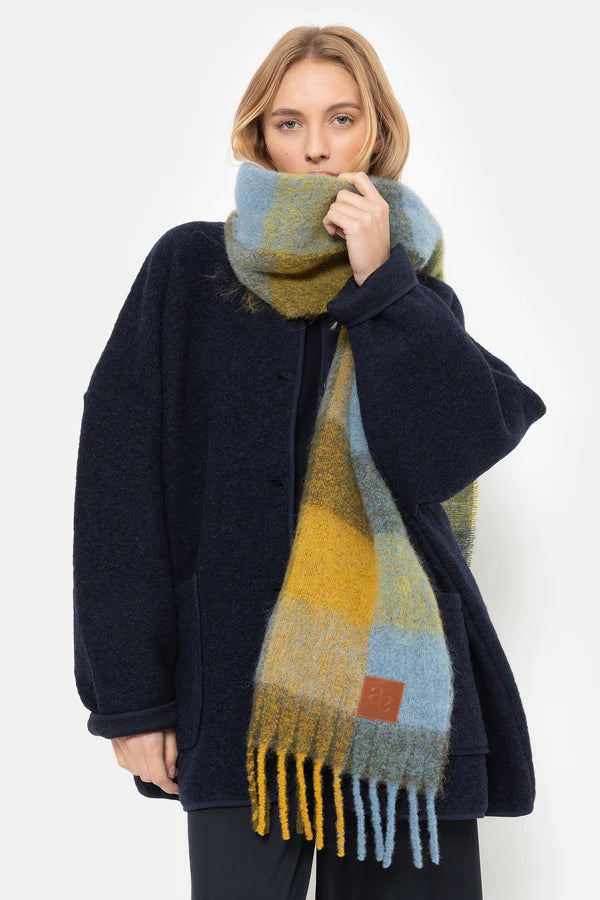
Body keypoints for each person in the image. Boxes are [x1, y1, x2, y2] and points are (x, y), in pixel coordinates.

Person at [72, 24, 546, 900]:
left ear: (375, 133)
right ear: (258, 135)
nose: (318, 147)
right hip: (237, 701)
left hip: (396, 705)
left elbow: (455, 446)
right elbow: (118, 490)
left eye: (341, 118)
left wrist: (381, 283)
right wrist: (131, 702)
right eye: (290, 123)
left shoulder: (410, 290)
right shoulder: (189, 271)